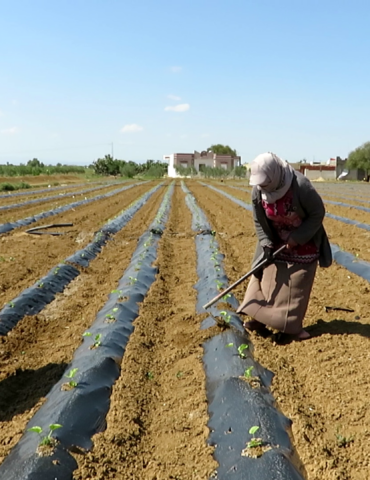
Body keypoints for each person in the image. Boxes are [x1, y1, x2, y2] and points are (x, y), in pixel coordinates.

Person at [236, 152, 332, 340]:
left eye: (265, 183)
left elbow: (317, 213)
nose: (262, 187)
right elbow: (258, 220)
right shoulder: (258, 191)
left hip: (303, 241)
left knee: (294, 287)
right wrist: (266, 243)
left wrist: (297, 237)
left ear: (275, 174)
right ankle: (259, 318)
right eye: (260, 184)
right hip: (275, 239)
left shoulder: (300, 186)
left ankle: (291, 327)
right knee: (265, 279)